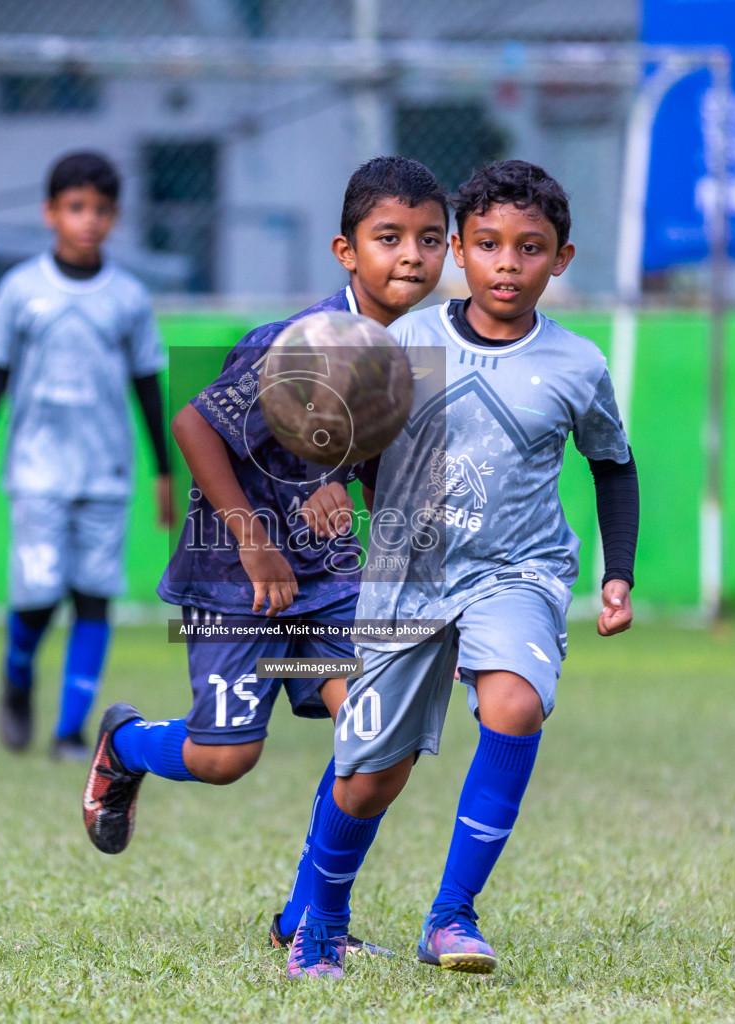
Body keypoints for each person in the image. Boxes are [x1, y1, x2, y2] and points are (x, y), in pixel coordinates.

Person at [79, 156, 450, 954]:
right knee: (226, 758)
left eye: (430, 238)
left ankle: (310, 919)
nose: (411, 255)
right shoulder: (304, 342)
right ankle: (127, 744)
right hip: (238, 580)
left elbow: (380, 480)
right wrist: (258, 541)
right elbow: (195, 427)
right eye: (389, 237)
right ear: (346, 251)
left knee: (374, 732)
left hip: (328, 583)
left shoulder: (414, 354)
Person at [284, 160, 640, 979]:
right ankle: (321, 922)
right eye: (487, 245)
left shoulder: (578, 364)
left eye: (529, 248)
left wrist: (617, 572)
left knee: (513, 706)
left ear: (563, 258)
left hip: (518, 571)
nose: (507, 264)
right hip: (407, 578)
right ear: (458, 253)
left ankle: (452, 915)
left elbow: (613, 466)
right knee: (371, 779)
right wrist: (329, 479)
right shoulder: (406, 340)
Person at [0, 151, 174, 761]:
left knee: (93, 594)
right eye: (76, 207)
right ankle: (18, 677)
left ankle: (70, 732)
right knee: (37, 592)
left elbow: (145, 385)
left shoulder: (127, 298)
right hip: (36, 470)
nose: (88, 221)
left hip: (106, 473)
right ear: (50, 212)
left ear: (114, 218)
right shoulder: (22, 290)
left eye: (101, 210)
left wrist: (163, 468)